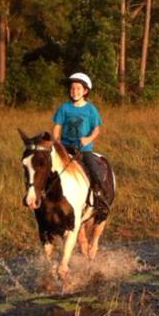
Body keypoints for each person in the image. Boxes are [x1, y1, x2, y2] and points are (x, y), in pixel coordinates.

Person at [52, 73, 110, 220]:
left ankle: (99, 201)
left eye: (78, 89)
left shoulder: (90, 109)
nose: (74, 91)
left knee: (95, 172)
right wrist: (56, 141)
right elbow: (57, 126)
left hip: (84, 150)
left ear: (85, 91)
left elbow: (96, 129)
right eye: (72, 89)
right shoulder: (64, 108)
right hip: (65, 147)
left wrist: (88, 139)